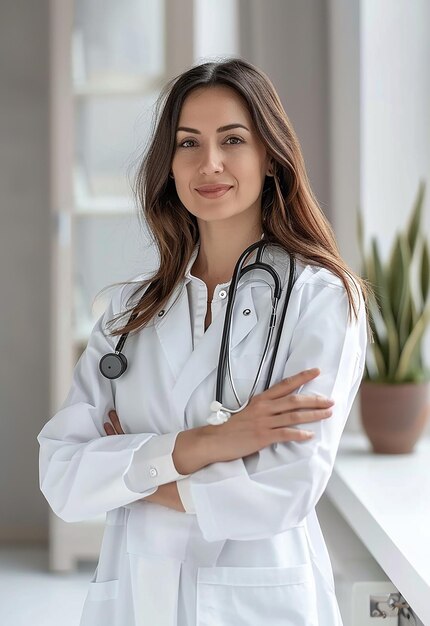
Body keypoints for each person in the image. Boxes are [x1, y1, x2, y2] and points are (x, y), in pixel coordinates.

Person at [37, 57, 368, 626]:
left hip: (258, 602)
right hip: (138, 597)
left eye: (232, 139)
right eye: (188, 143)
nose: (208, 163)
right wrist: (209, 444)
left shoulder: (319, 300)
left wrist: (127, 474)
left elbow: (286, 488)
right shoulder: (127, 313)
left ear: (270, 157)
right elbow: (61, 475)